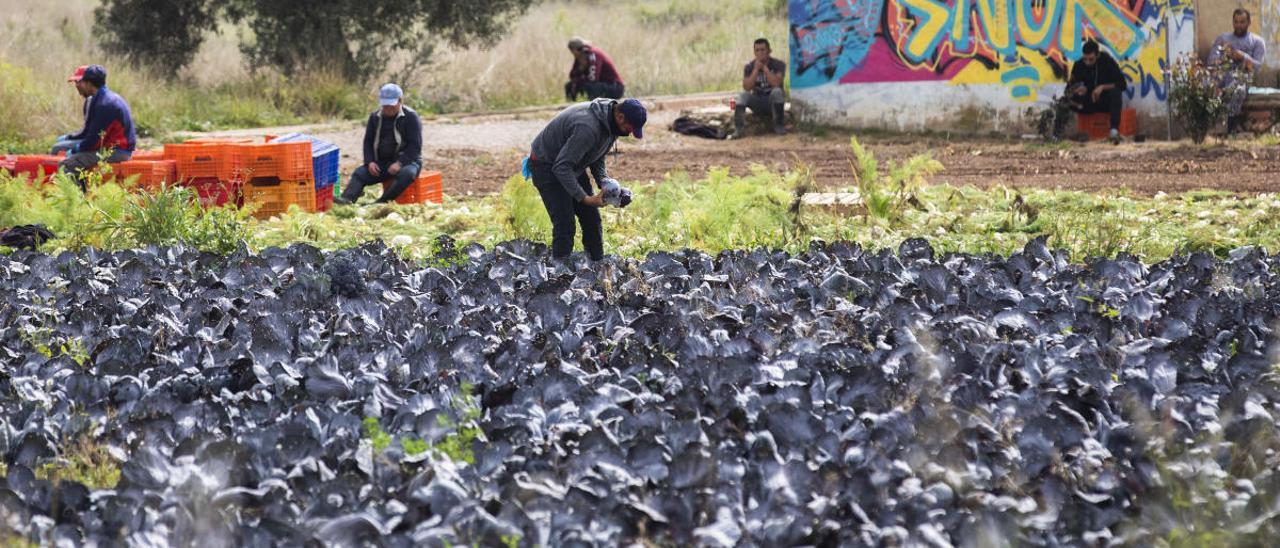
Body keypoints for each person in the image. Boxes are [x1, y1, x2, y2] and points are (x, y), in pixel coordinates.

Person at [525, 97, 646, 261]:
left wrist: (605, 182)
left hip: (571, 164)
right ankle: (559, 275)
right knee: (565, 224)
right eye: (629, 128)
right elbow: (561, 167)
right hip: (546, 165)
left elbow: (597, 154)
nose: (629, 133)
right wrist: (586, 199)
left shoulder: (613, 124)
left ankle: (597, 266)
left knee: (592, 220)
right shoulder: (588, 127)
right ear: (621, 117)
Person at [335, 83, 422, 205]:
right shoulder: (375, 117)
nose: (388, 109)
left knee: (407, 174)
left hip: (408, 162)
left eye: (391, 105)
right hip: (384, 162)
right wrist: (370, 162)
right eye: (385, 105)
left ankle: (381, 203)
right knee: (360, 173)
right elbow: (368, 142)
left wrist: (399, 163)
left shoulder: (410, 117)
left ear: (400, 101)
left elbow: (415, 146)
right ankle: (347, 200)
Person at [56, 64, 136, 190]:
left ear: (88, 83)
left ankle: (77, 203)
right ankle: (83, 194)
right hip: (112, 149)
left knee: (65, 165)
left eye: (81, 82)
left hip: (117, 152)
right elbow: (91, 135)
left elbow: (94, 141)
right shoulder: (104, 98)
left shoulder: (105, 104)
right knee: (74, 159)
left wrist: (74, 150)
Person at [1207, 8, 1266, 135]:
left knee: (1236, 90)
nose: (1239, 25)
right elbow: (1211, 62)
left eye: (1242, 22)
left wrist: (1243, 56)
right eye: (1236, 22)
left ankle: (1231, 131)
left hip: (1243, 77)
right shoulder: (1223, 38)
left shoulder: (1257, 42)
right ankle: (1207, 132)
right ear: (1232, 22)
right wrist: (1224, 55)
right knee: (1206, 87)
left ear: (1249, 23)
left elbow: (1258, 66)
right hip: (1223, 75)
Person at [1066, 40, 1128, 144]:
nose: (1088, 63)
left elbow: (1122, 84)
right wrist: (1077, 90)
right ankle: (1059, 133)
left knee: (1116, 93)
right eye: (1085, 59)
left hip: (1104, 101)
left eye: (1091, 59)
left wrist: (1103, 87)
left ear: (1097, 55)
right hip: (1087, 102)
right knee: (1065, 100)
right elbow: (1068, 90)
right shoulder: (1079, 65)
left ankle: (1113, 131)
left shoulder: (1107, 62)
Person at [732, 38, 787, 138]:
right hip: (757, 101)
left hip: (772, 102)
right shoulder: (749, 66)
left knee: (777, 92)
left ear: (769, 51)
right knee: (743, 95)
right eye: (757, 50)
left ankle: (779, 125)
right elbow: (747, 87)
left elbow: (776, 84)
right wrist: (756, 70)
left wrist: (765, 69)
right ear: (754, 52)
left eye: (763, 50)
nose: (760, 53)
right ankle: (739, 129)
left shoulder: (779, 64)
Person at [564, 37, 625, 102]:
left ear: (575, 50)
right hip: (600, 84)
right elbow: (572, 76)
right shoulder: (579, 56)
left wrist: (581, 77)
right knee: (569, 86)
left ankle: (592, 106)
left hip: (615, 87)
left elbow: (593, 78)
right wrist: (580, 70)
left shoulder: (593, 54)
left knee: (591, 86)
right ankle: (571, 105)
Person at [51, 65, 93, 155]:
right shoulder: (91, 99)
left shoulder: (92, 101)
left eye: (79, 81)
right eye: (75, 82)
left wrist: (69, 137)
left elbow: (88, 133)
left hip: (96, 143)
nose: (76, 85)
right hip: (93, 140)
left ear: (88, 82)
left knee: (57, 148)